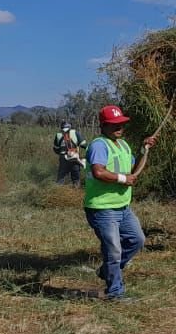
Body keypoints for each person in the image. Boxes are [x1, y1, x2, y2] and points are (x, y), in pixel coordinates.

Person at [84, 105, 155, 299]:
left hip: (123, 207)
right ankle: (115, 292)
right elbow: (98, 172)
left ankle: (108, 271)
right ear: (103, 125)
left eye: (122, 124)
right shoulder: (99, 145)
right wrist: (123, 179)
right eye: (114, 125)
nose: (119, 128)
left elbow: (133, 168)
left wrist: (143, 149)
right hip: (102, 208)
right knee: (113, 250)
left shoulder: (123, 145)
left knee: (137, 240)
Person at [53, 120, 87, 185]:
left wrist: (62, 155)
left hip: (63, 158)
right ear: (70, 126)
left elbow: (56, 149)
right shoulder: (75, 132)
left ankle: (57, 191)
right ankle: (76, 191)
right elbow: (84, 145)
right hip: (74, 158)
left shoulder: (58, 135)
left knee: (61, 178)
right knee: (76, 177)